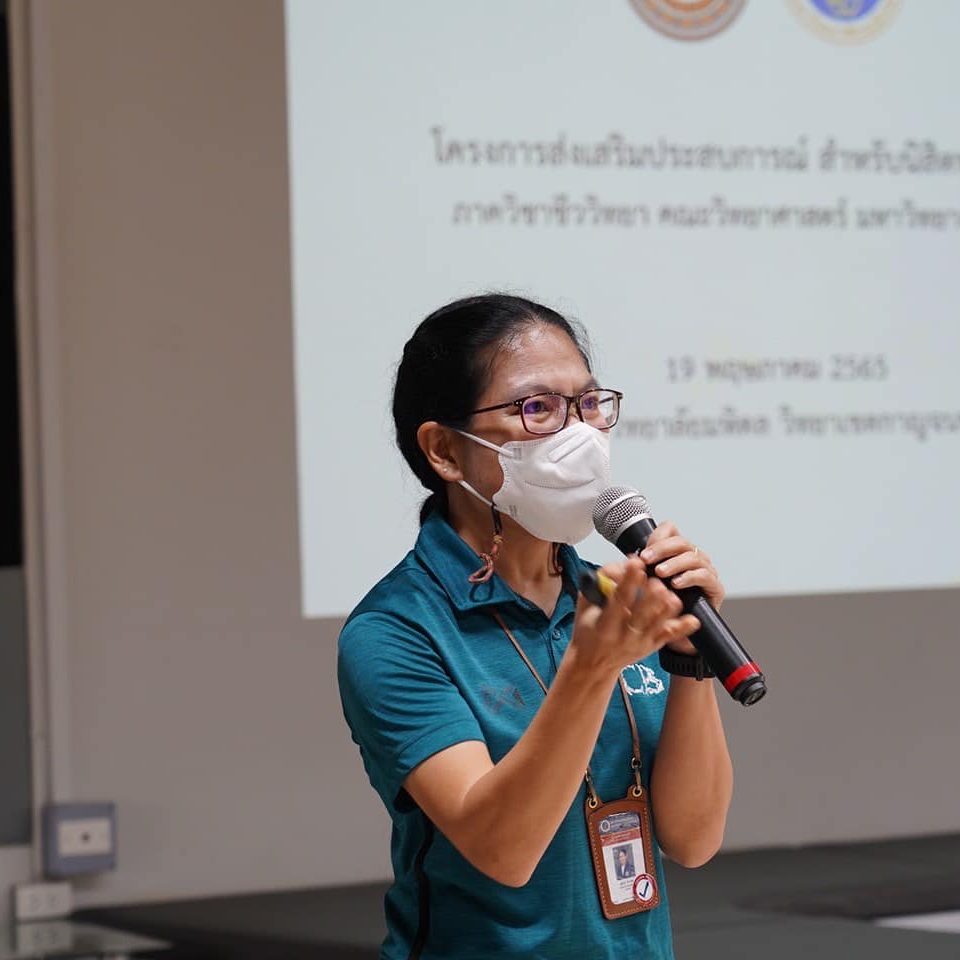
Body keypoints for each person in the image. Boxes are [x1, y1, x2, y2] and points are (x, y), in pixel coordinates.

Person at [338, 294, 734, 960]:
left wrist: (691, 661)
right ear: (445, 451)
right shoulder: (395, 631)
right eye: (537, 408)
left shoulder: (614, 601)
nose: (580, 436)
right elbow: (502, 849)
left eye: (588, 404)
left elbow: (694, 840)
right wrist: (591, 669)